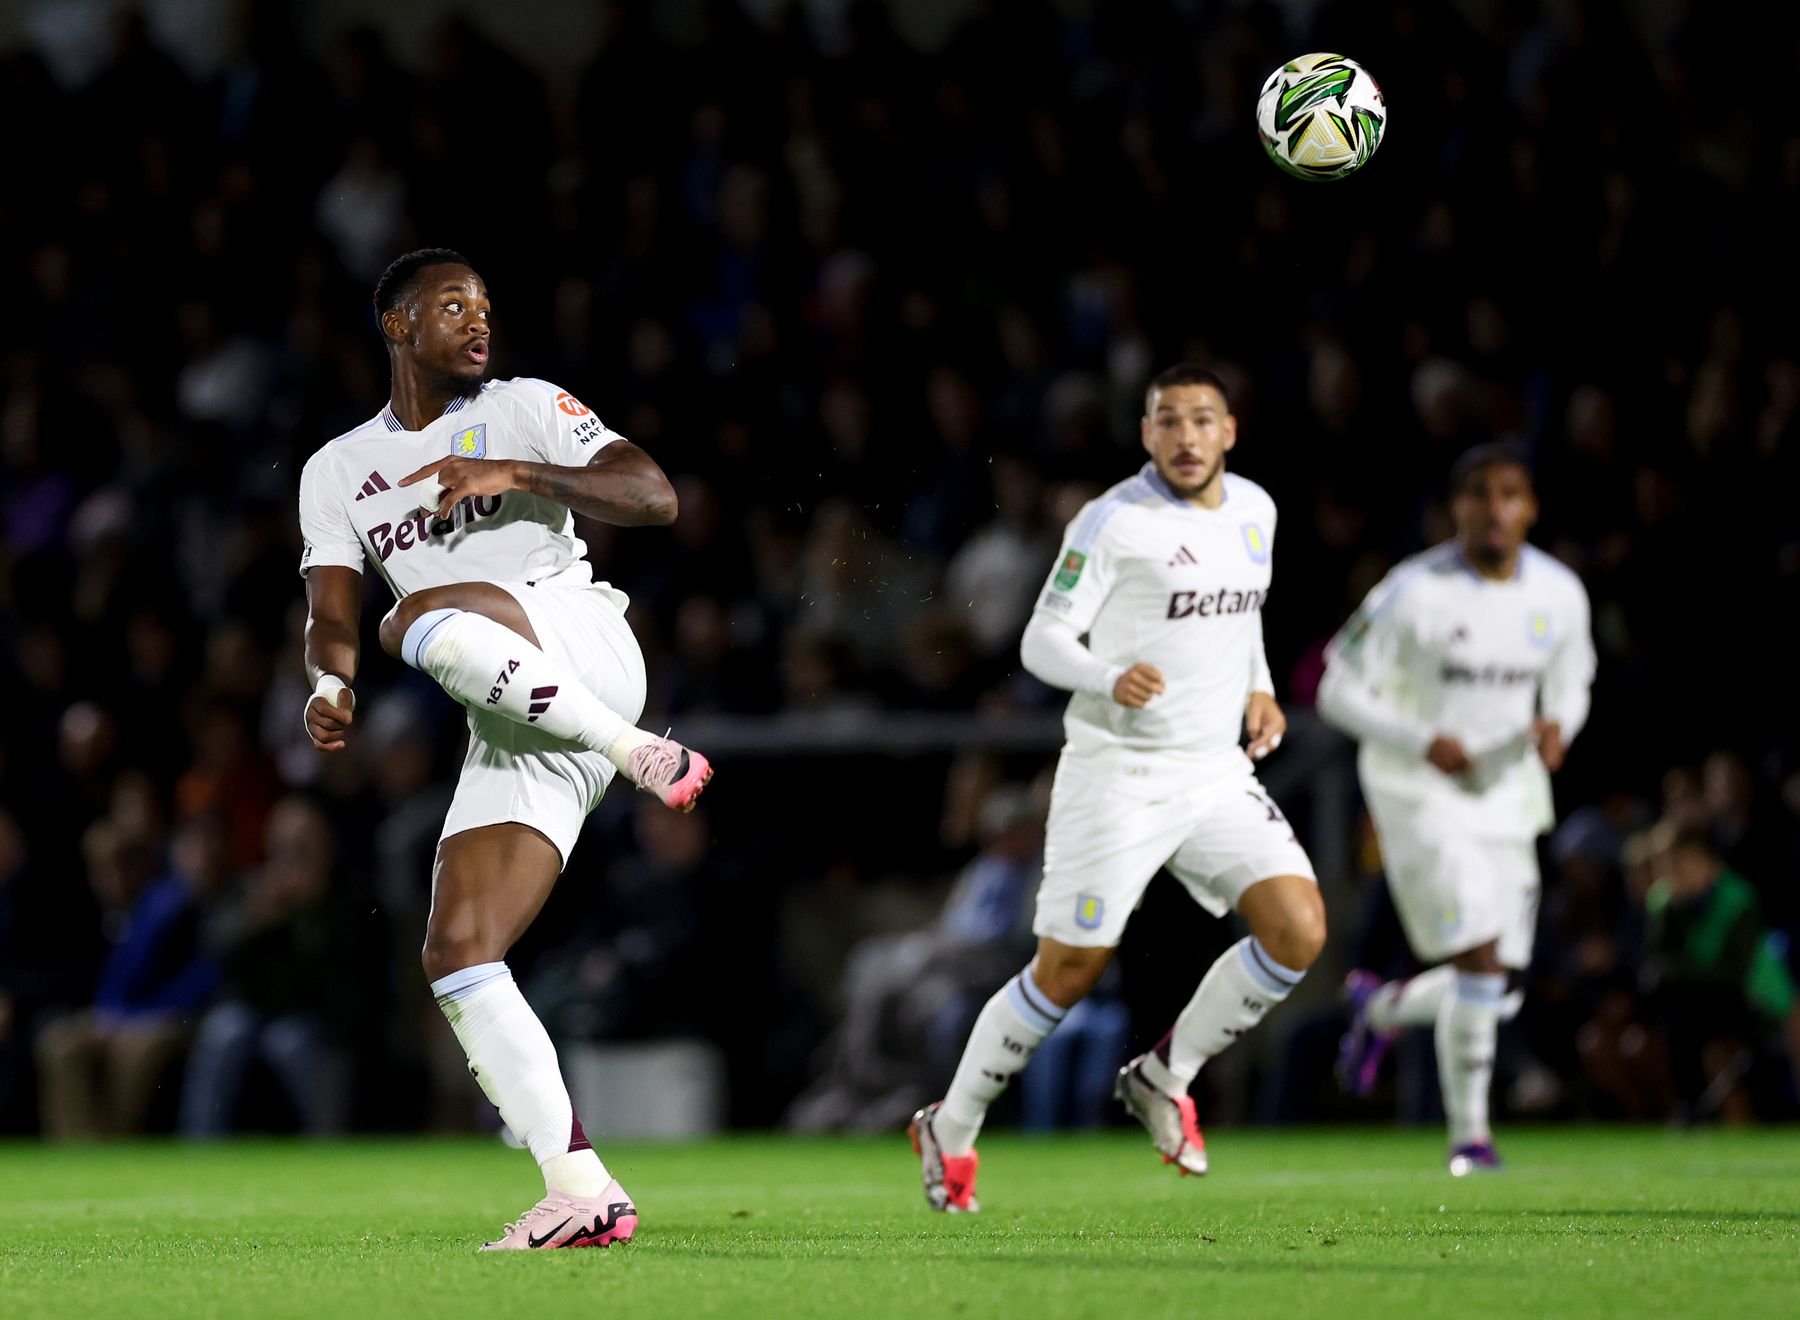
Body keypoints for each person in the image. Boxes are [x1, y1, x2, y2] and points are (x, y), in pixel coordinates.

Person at [296, 248, 712, 1250]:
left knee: (421, 614)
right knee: (459, 950)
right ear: (399, 327)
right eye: (451, 307)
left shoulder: (523, 405)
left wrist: (518, 470)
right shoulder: (336, 469)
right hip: (513, 712)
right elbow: (332, 609)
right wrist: (327, 683)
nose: (477, 322)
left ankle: (639, 751)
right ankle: (580, 1190)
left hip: (580, 644)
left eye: (483, 306)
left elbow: (653, 496)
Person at [909, 364, 1325, 1212]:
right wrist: (1104, 674)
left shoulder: (1256, 510)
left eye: (1201, 420)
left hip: (1212, 769)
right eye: (1167, 421)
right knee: (1066, 971)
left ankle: (1165, 1078)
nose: (1184, 437)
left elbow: (1240, 615)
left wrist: (1261, 684)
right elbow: (1040, 640)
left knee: (1298, 930)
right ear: (1147, 435)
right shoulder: (1112, 522)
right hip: (1120, 774)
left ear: (1229, 432)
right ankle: (950, 1126)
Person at [1321, 442, 1595, 1173]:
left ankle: (1382, 1011)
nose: (1496, 508)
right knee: (1476, 954)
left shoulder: (1559, 593)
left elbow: (1574, 679)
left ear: (1530, 507)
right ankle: (1471, 1138)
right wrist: (1420, 739)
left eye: (1510, 493)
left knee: (1498, 985)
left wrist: (1559, 726)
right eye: (1479, 494)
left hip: (1508, 791)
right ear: (1455, 510)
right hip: (1418, 791)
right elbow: (1335, 689)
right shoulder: (1411, 592)